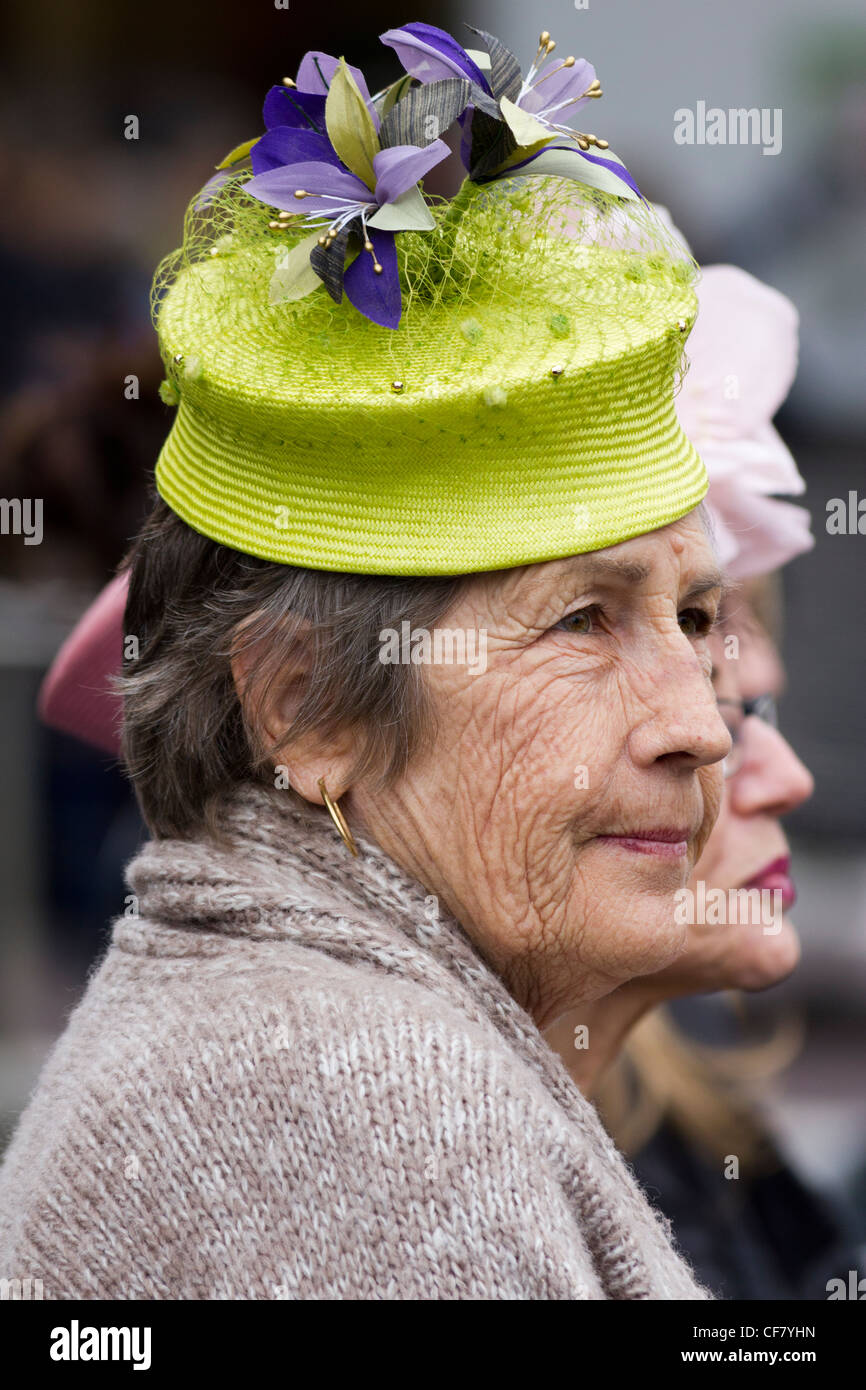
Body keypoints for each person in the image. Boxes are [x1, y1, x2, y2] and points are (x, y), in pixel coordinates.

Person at [0, 22, 733, 1299]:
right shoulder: (371, 1102)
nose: (702, 723)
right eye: (582, 620)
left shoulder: (313, 1036)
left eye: (696, 616)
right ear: (302, 708)